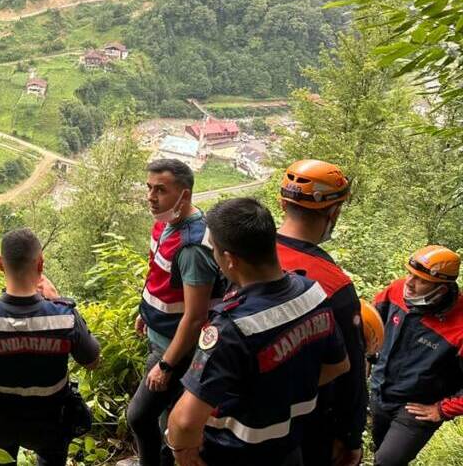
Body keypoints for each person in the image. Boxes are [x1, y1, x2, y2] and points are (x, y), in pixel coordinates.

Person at [166, 198, 350, 466]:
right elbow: (339, 365)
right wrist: (276, 396)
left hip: (231, 454)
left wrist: (182, 453)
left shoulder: (232, 328)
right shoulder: (313, 294)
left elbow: (184, 421)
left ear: (229, 259)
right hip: (287, 449)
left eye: (214, 250)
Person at [0, 228, 101, 466]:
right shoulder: (65, 318)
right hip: (50, 421)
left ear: (0, 264)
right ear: (40, 264)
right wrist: (57, 300)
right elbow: (92, 361)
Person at [126, 159, 224, 466]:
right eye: (149, 188)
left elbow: (195, 317)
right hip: (161, 336)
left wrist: (166, 365)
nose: (151, 197)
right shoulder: (167, 223)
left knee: (139, 416)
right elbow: (160, 276)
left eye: (160, 190)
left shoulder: (192, 247)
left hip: (176, 348)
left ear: (185, 194)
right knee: (165, 415)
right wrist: (147, 311)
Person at [275, 159, 366, 466]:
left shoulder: (246, 255)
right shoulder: (334, 284)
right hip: (309, 414)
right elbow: (351, 371)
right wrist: (351, 436)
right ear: (334, 211)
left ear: (282, 203)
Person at [369, 245, 463, 466]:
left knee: (386, 461)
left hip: (417, 407)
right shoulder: (396, 291)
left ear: (441, 289)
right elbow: (371, 323)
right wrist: (367, 356)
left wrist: (443, 409)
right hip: (381, 392)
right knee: (380, 450)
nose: (409, 283)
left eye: (420, 280)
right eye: (409, 274)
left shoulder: (459, 325)